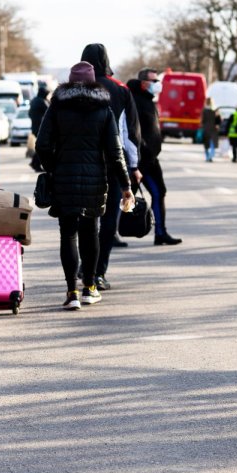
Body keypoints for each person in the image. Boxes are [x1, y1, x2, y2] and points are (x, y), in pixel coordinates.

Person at [37, 62, 132, 310]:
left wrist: (53, 168)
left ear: (69, 81)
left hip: (63, 179)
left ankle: (72, 292)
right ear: (93, 82)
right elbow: (115, 152)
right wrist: (125, 185)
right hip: (95, 181)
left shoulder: (57, 107)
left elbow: (42, 145)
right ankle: (90, 288)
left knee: (67, 234)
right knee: (91, 233)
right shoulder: (103, 109)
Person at [81, 43, 141, 291]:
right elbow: (129, 132)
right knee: (107, 223)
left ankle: (83, 267)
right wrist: (134, 165)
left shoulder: (74, 88)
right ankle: (98, 272)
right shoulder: (120, 90)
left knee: (83, 221)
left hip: (81, 164)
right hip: (113, 163)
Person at [127, 67, 180, 246]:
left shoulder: (149, 101)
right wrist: (143, 150)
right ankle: (111, 233)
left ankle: (160, 233)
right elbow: (133, 130)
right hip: (141, 159)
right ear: (144, 83)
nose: (158, 85)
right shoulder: (135, 101)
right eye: (154, 81)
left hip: (150, 159)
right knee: (128, 195)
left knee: (158, 193)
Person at [27, 81, 51, 172]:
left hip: (35, 127)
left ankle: (34, 162)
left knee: (40, 145)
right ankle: (35, 163)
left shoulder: (34, 101)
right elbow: (50, 111)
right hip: (41, 128)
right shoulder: (42, 102)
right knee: (42, 146)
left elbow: (29, 114)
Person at [201, 98, 219, 162]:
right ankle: (211, 156)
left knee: (206, 144)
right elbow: (218, 120)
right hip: (213, 129)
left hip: (206, 129)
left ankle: (207, 156)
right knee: (212, 144)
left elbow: (202, 120)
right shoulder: (215, 110)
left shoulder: (204, 110)